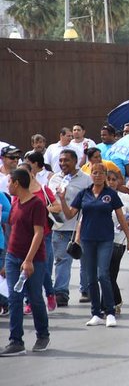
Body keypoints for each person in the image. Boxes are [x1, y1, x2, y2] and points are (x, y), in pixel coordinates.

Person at [58, 163, 129, 327]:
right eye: (94, 173)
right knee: (90, 277)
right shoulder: (84, 194)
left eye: (100, 173)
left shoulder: (110, 195)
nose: (97, 175)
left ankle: (110, 312)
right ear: (91, 175)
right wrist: (63, 198)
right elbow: (70, 214)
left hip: (106, 239)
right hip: (87, 239)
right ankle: (95, 313)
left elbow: (121, 218)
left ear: (105, 175)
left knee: (103, 275)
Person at [0, 169, 49, 356]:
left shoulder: (36, 204)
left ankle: (42, 334)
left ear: (17, 183)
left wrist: (28, 260)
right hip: (13, 257)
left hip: (34, 259)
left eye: (9, 181)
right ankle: (16, 341)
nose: (7, 185)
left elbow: (39, 233)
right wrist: (7, 260)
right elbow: (11, 229)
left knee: (35, 297)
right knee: (14, 297)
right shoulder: (15, 202)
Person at [48, 149, 92, 307]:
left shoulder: (86, 180)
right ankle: (61, 293)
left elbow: (90, 202)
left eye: (66, 160)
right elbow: (50, 202)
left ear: (75, 161)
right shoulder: (54, 179)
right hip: (60, 227)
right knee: (61, 260)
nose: (62, 164)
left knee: (85, 259)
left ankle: (86, 289)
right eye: (60, 161)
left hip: (82, 227)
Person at [16, 162, 60, 314]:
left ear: (31, 174)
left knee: (42, 267)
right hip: (24, 236)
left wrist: (41, 209)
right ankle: (28, 301)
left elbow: (57, 206)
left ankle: (49, 293)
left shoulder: (42, 189)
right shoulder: (18, 192)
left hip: (44, 234)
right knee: (25, 267)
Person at [105, 170, 129, 314]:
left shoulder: (124, 197)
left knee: (110, 275)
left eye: (114, 179)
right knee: (103, 275)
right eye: (109, 179)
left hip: (119, 241)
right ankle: (116, 300)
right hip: (100, 241)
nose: (111, 182)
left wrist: (124, 223)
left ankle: (107, 307)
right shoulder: (98, 197)